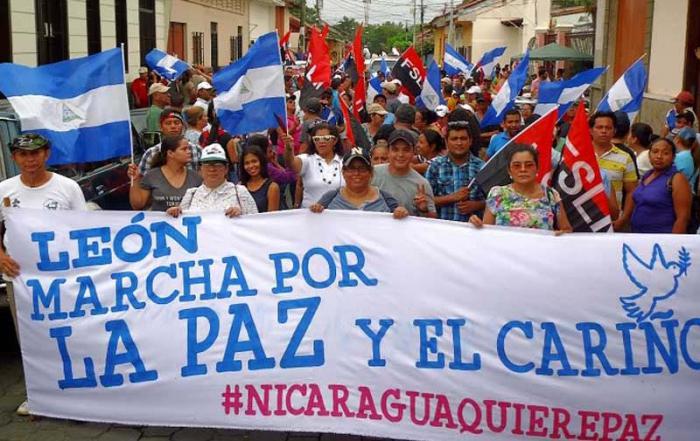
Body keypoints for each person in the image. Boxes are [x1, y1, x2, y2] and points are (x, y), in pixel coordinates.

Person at [0, 134, 87, 417]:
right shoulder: (4, 189)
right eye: (23, 155)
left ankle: (78, 392)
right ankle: (38, 396)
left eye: (36, 153)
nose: (30, 160)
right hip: (21, 279)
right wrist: (0, 255)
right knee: (30, 337)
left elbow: (84, 229)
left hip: (61, 276)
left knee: (69, 334)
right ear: (14, 158)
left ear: (47, 154)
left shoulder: (67, 187)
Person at [469, 144, 572, 233]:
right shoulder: (497, 194)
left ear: (537, 168)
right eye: (517, 166)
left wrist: (560, 235)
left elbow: (567, 230)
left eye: (529, 165)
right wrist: (475, 225)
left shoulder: (551, 195)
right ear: (509, 171)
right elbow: (487, 231)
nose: (523, 170)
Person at [617, 138, 692, 234]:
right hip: (638, 236)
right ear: (649, 155)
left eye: (665, 153)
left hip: (661, 240)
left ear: (673, 157)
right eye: (655, 152)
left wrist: (674, 244)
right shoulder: (648, 174)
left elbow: (683, 218)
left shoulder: (677, 178)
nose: (659, 156)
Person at [310, 148, 409, 218]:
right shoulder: (330, 198)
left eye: (362, 169)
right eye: (351, 169)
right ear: (343, 172)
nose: (356, 173)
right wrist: (315, 211)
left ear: (371, 172)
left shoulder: (386, 199)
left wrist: (401, 213)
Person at [167, 144, 258, 217]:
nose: (212, 169)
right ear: (200, 169)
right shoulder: (191, 194)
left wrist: (241, 215)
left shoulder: (240, 191)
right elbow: (181, 225)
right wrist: (173, 215)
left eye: (217, 164)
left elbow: (255, 224)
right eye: (207, 165)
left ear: (226, 169)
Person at [426, 121, 485, 221]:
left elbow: (494, 200)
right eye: (454, 139)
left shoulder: (481, 167)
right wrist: (452, 197)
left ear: (470, 141)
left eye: (463, 138)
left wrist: (477, 205)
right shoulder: (435, 166)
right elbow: (426, 200)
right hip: (443, 229)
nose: (459, 143)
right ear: (446, 142)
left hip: (473, 231)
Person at [589, 111, 638, 230]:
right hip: (582, 218)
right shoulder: (579, 154)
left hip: (611, 220)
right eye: (599, 127)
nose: (604, 131)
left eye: (608, 128)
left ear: (614, 131)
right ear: (591, 130)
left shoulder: (625, 158)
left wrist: (624, 218)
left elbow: (632, 191)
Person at [372, 129, 437, 217]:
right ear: (388, 152)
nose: (400, 154)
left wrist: (424, 210)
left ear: (413, 152)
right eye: (395, 149)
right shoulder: (372, 174)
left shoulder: (422, 184)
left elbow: (433, 222)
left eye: (406, 150)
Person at [128, 135, 202, 211]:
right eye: (184, 149)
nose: (189, 152)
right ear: (170, 153)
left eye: (189, 148)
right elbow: (137, 205)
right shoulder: (152, 176)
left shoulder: (196, 178)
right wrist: (135, 180)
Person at [284, 122, 345, 208]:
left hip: (337, 215)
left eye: (326, 138)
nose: (321, 141)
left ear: (335, 140)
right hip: (310, 216)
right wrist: (289, 149)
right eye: (317, 139)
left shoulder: (345, 162)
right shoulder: (307, 159)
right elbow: (290, 163)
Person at [138, 108, 201, 176]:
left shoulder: (196, 150)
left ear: (183, 126)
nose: (173, 126)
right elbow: (143, 182)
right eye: (168, 123)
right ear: (161, 127)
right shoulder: (151, 153)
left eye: (176, 123)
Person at [240, 144, 280, 213]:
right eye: (247, 163)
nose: (251, 166)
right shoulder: (240, 187)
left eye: (254, 161)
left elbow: (272, 217)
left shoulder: (272, 187)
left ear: (261, 162)